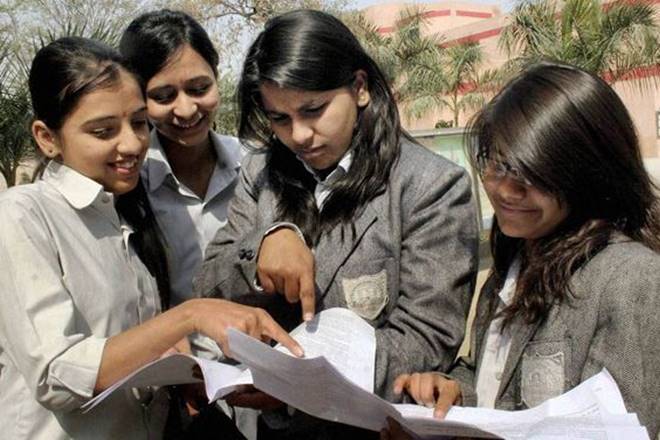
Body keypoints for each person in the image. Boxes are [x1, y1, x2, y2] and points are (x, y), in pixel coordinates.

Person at [193, 9, 479, 438]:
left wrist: (295, 385)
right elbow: (210, 285)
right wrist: (264, 243)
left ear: (359, 88)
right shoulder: (260, 173)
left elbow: (425, 342)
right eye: (279, 119)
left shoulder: (430, 186)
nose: (299, 135)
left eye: (314, 110)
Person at [0, 36, 301, 440]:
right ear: (47, 138)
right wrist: (188, 316)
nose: (131, 144)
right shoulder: (21, 216)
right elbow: (57, 374)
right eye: (103, 131)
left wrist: (178, 369)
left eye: (139, 123)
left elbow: (127, 348)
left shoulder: (120, 213)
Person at [384, 62, 660, 439]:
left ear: (589, 174)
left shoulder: (630, 280)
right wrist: (453, 391)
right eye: (496, 165)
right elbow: (493, 376)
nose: (505, 191)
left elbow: (623, 429)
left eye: (531, 176)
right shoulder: (514, 263)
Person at [119, 9, 242, 308]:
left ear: (216, 77)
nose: (186, 110)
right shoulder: (125, 184)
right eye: (163, 96)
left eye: (199, 89)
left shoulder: (254, 165)